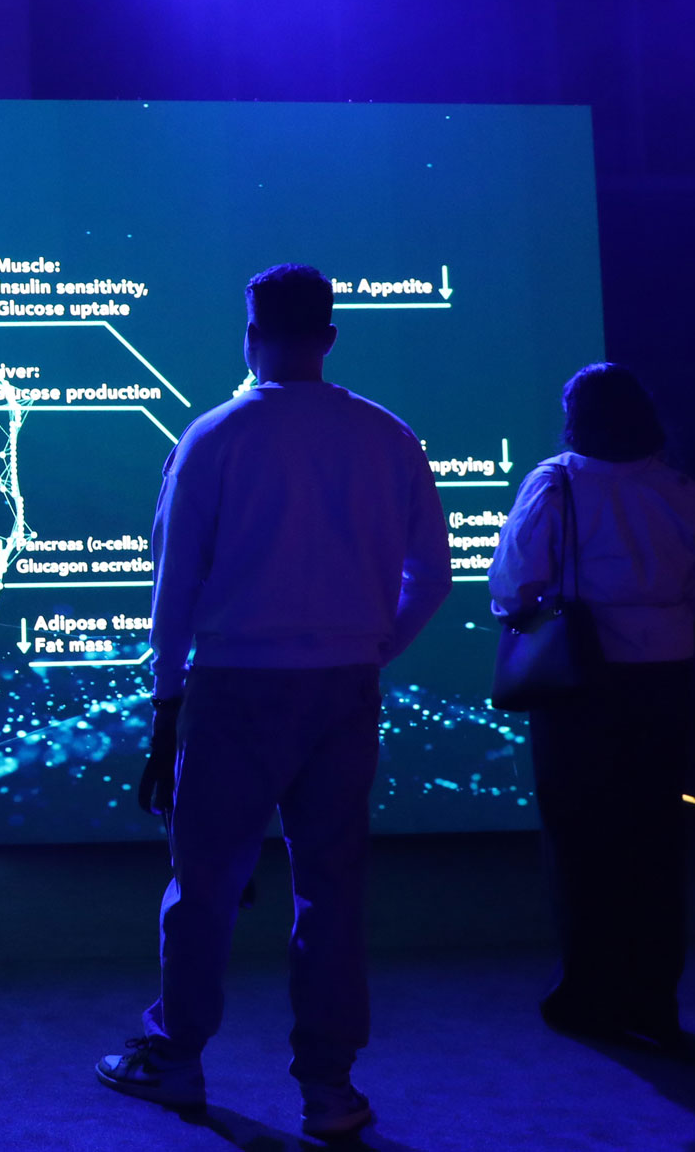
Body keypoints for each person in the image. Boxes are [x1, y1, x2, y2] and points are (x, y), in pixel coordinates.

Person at [97, 265, 452, 1142]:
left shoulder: (215, 435)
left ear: (250, 333)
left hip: (234, 687)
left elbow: (174, 586)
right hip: (345, 688)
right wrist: (373, 647)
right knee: (330, 890)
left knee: (205, 887)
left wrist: (166, 697)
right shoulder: (389, 435)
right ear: (329, 336)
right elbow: (433, 577)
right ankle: (329, 1089)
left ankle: (177, 1057)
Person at [490, 363, 695, 1046]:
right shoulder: (681, 488)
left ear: (575, 417)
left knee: (580, 835)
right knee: (655, 837)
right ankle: (654, 999)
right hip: (666, 675)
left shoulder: (555, 483)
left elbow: (513, 585)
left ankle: (589, 992)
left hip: (579, 681)